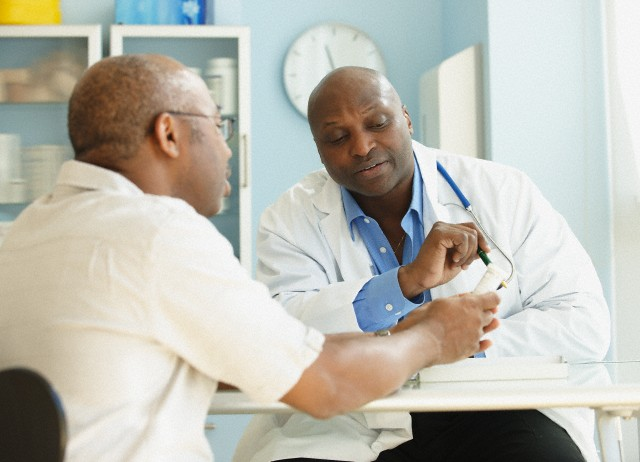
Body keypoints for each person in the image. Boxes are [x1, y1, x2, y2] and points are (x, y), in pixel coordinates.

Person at [0, 55, 500, 462]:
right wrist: (432, 336)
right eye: (219, 124)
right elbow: (325, 382)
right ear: (169, 134)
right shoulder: (159, 234)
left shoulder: (22, 236)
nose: (227, 146)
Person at [234, 66, 611, 462]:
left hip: (498, 406)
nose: (361, 146)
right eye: (337, 137)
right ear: (318, 148)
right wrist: (404, 283)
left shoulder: (504, 191)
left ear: (407, 118)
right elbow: (284, 333)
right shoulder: (290, 218)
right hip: (351, 419)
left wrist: (457, 346)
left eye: (377, 123)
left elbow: (583, 321)